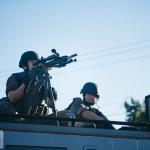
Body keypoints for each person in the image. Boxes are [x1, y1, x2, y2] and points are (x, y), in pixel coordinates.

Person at [0, 51, 57, 116]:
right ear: (24, 66)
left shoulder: (41, 81)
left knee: (65, 115)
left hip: (33, 119)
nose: (36, 64)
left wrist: (51, 94)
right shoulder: (16, 77)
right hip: (14, 116)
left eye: (37, 61)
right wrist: (28, 80)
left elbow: (50, 104)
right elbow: (12, 98)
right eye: (33, 61)